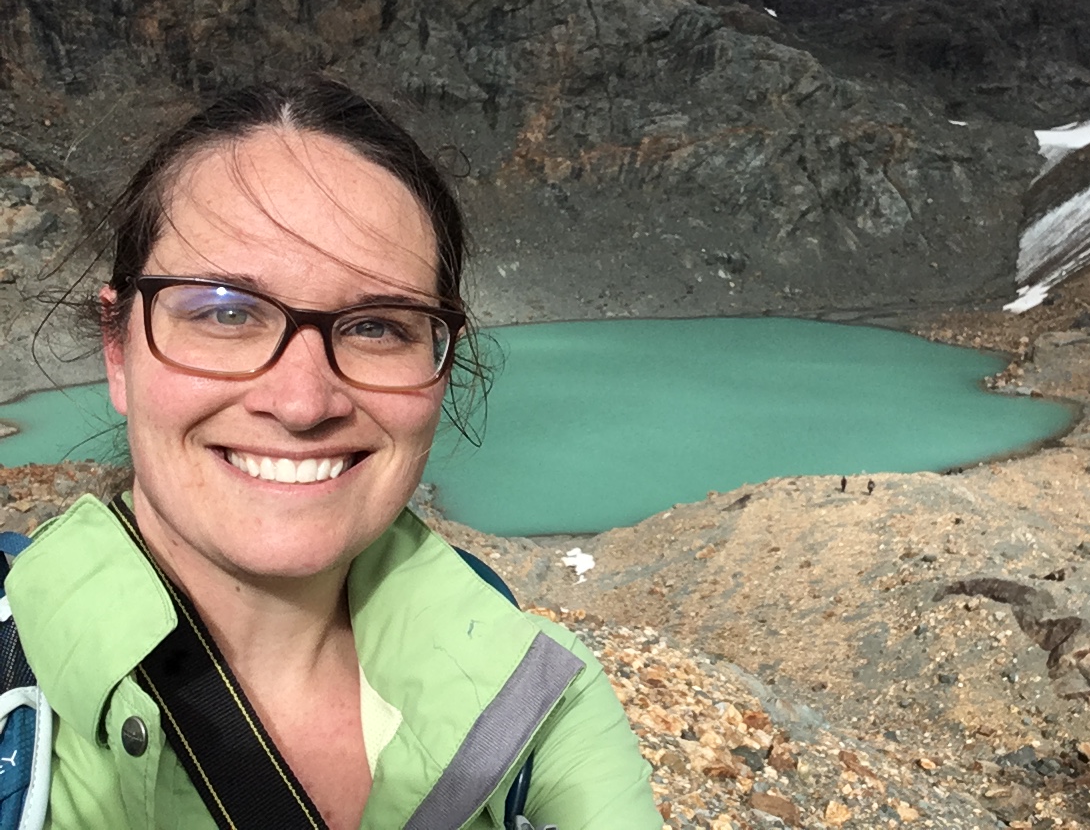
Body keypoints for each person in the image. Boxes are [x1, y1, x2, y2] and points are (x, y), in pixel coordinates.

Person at [5, 79, 663, 829]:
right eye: (225, 312)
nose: (302, 402)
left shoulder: (545, 703)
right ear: (118, 350)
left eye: (377, 326)